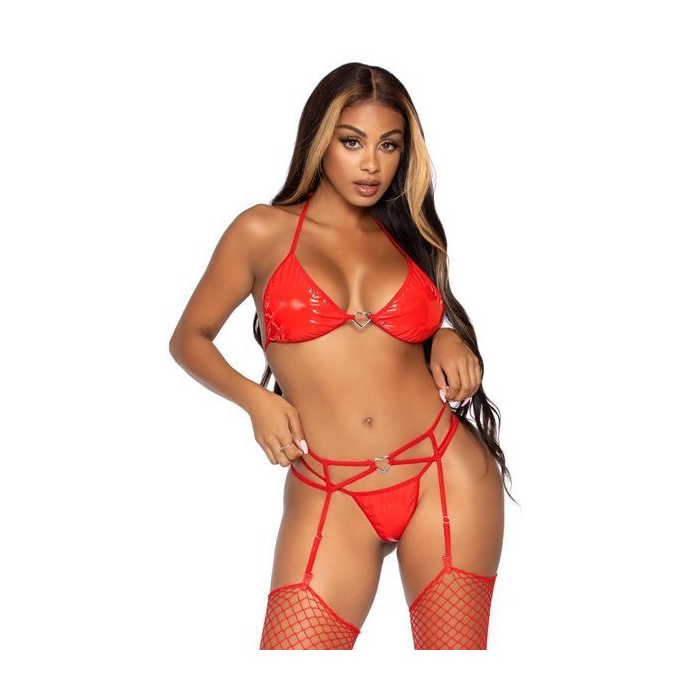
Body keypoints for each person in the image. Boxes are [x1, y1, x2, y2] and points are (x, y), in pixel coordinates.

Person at [169, 63, 516, 650]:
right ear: (319, 141)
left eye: (389, 145)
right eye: (352, 142)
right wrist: (255, 401)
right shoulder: (261, 231)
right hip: (331, 488)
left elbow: (410, 328)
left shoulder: (412, 232)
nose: (372, 165)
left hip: (443, 471)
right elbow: (189, 338)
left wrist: (446, 335)